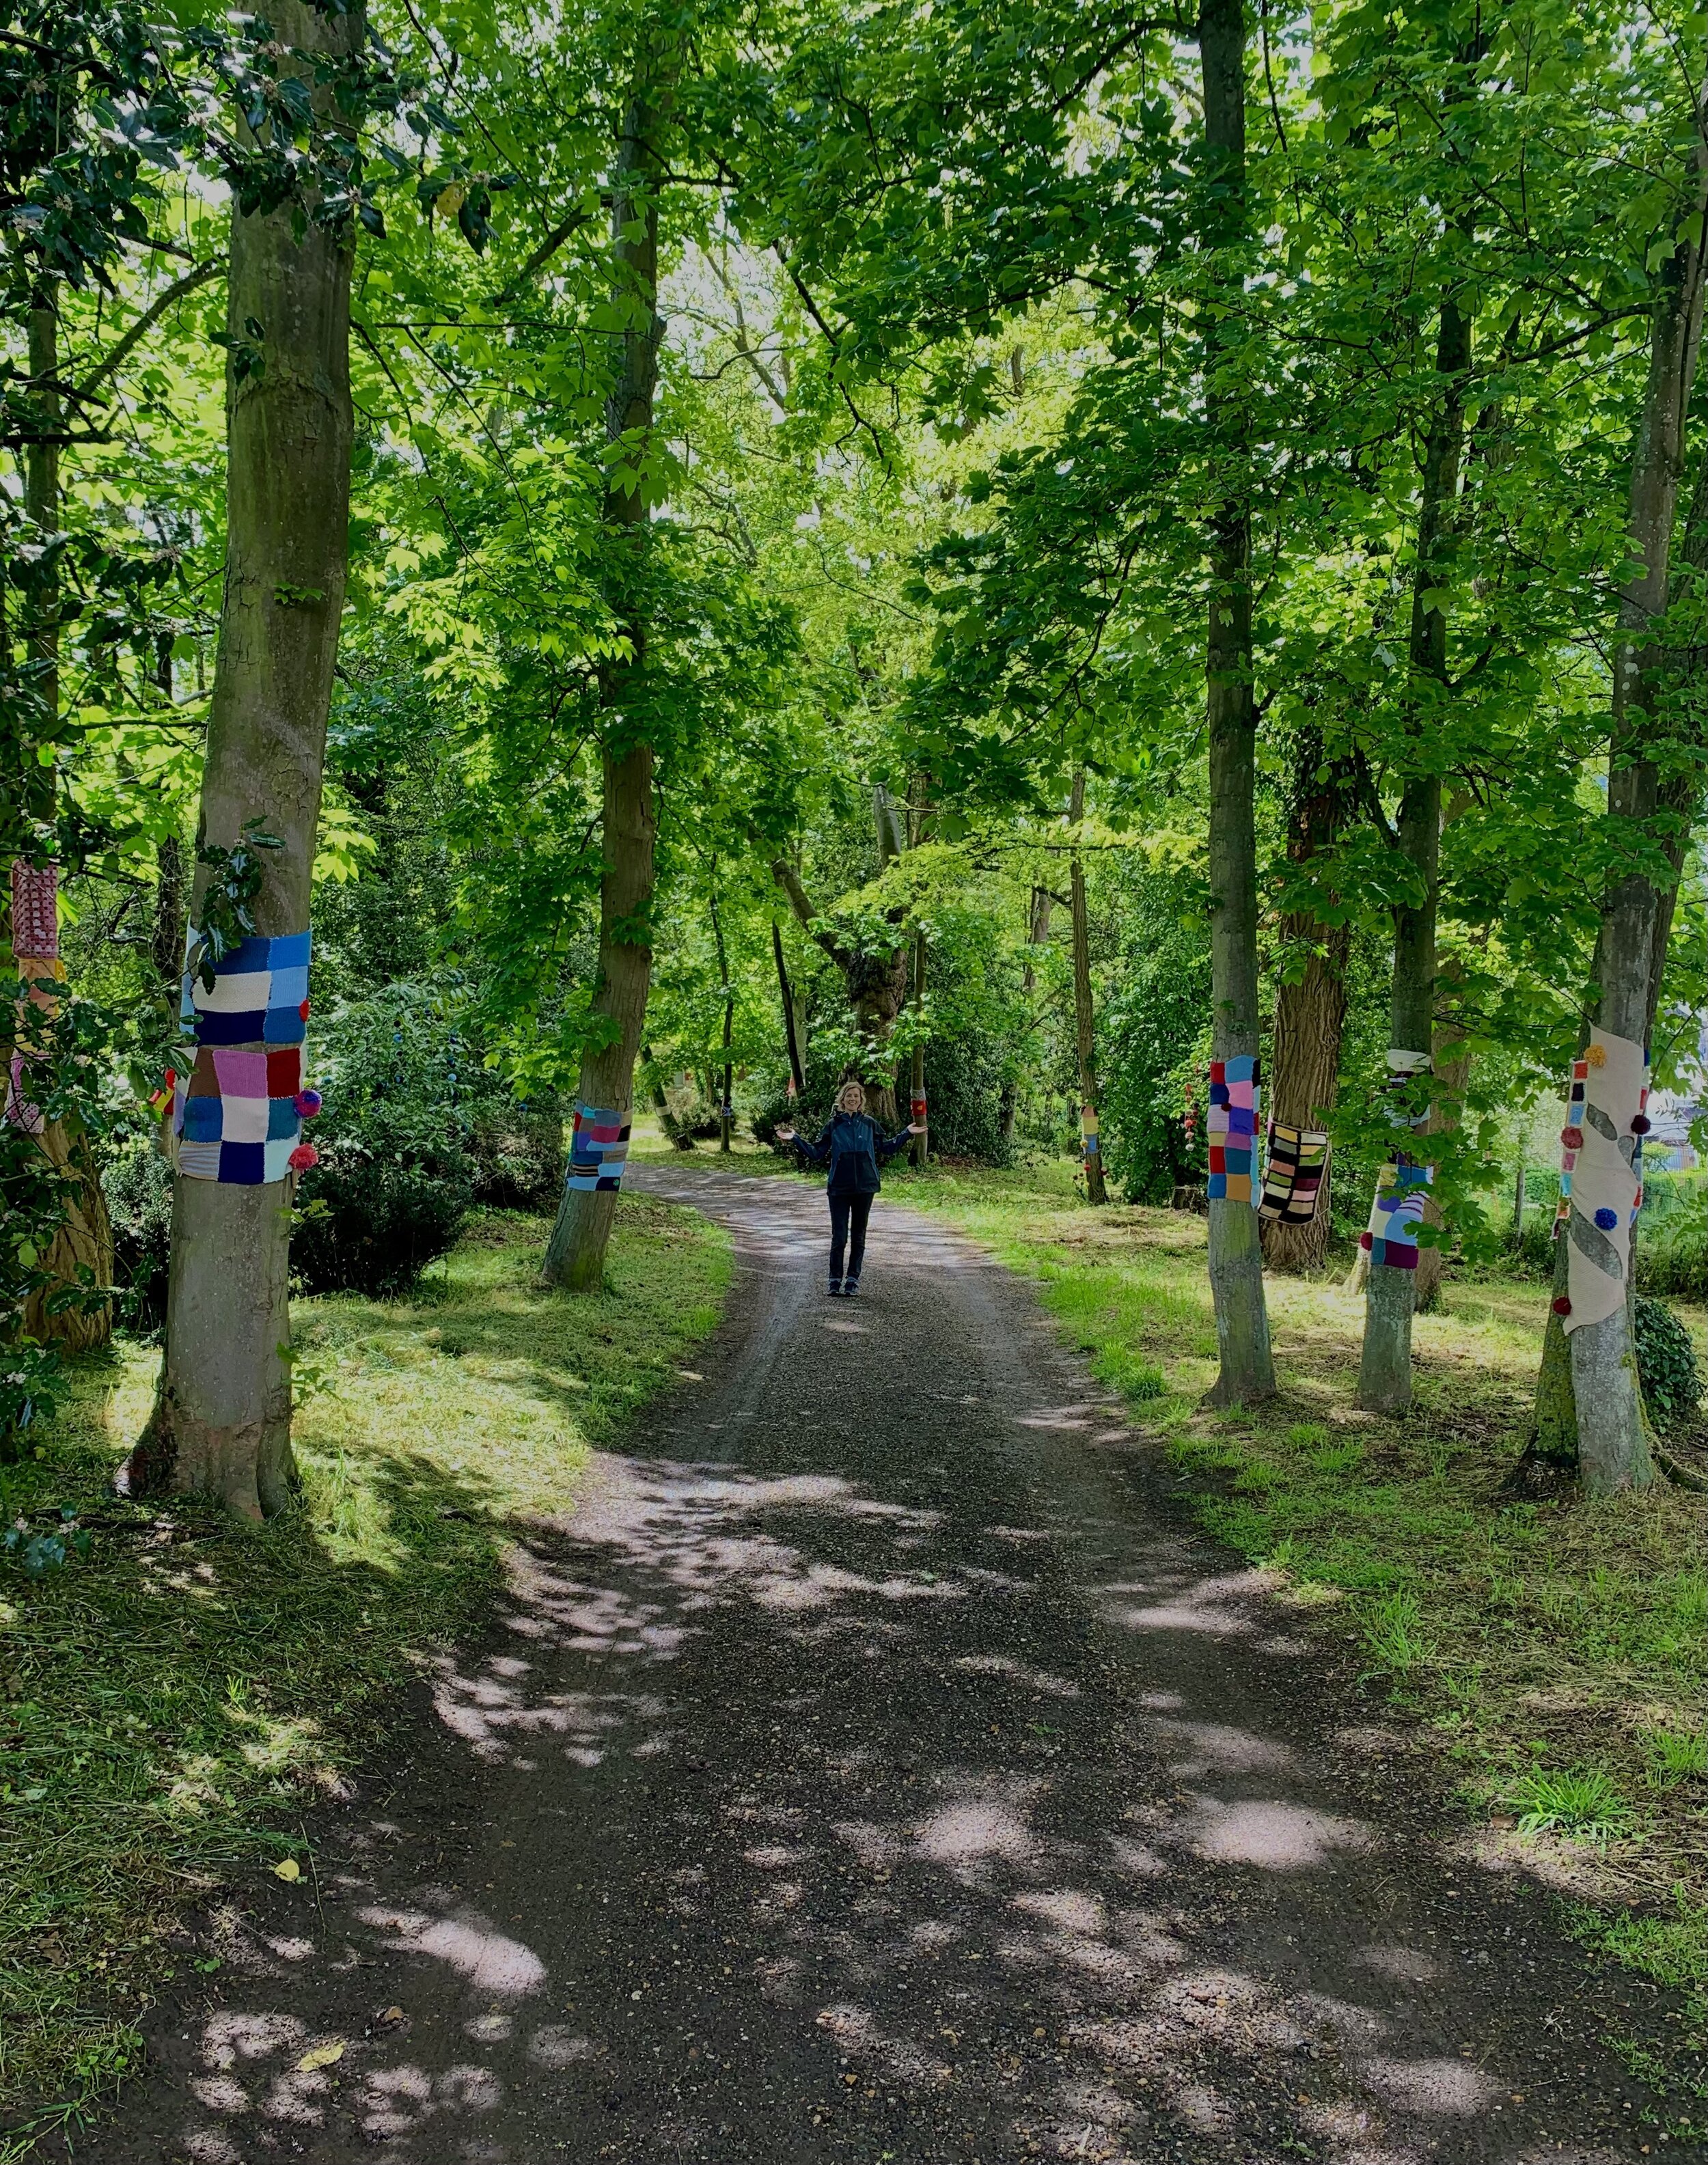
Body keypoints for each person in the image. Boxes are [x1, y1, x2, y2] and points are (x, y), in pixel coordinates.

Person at [776, 1081, 924, 1296]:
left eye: (856, 1096)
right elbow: (816, 1153)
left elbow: (887, 1148)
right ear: (842, 1100)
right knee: (839, 1237)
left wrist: (907, 1133)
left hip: (865, 1186)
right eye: (848, 1096)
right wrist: (796, 1139)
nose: (852, 1099)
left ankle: (853, 1281)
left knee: (858, 1236)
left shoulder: (870, 1123)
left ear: (861, 1100)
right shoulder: (833, 1125)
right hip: (839, 1187)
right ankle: (834, 1281)